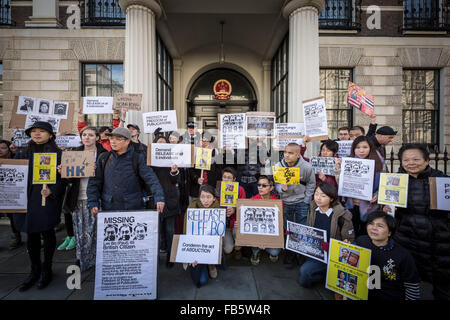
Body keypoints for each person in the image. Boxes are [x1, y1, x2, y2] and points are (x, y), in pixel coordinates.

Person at [387, 144, 449, 300]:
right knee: (407, 282)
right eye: (406, 160)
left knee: (442, 285)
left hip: (438, 243)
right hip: (406, 239)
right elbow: (390, 210)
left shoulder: (441, 181)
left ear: (427, 160)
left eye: (416, 159)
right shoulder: (394, 181)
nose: (411, 163)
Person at [13, 121, 67, 291]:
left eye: (42, 131)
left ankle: (47, 270)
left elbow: (65, 178)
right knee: (31, 234)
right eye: (34, 131)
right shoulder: (22, 152)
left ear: (50, 135)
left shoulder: (58, 153)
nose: (37, 134)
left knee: (47, 232)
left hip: (45, 200)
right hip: (25, 199)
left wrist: (53, 190)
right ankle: (34, 270)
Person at [58, 126, 107, 271]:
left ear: (97, 138)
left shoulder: (103, 154)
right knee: (80, 230)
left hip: (96, 197)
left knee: (96, 230)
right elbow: (69, 180)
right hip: (78, 197)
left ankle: (98, 259)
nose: (87, 137)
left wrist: (98, 170)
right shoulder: (73, 152)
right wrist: (64, 173)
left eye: (91, 135)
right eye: (84, 134)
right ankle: (82, 258)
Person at [87, 127, 165, 215]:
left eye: (118, 139)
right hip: (109, 208)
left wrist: (159, 198)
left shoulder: (137, 158)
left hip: (133, 208)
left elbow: (151, 179)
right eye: (111, 138)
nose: (113, 141)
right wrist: (93, 202)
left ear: (127, 141)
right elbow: (94, 182)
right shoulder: (103, 158)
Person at [298, 183, 354, 288]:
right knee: (304, 277)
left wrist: (339, 245)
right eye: (316, 194)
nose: (318, 198)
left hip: (333, 254)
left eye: (323, 196)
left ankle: (328, 274)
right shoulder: (313, 208)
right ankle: (324, 275)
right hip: (315, 251)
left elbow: (349, 239)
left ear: (332, 198)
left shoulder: (342, 215)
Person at [355, 210, 421, 300]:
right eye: (371, 223)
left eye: (380, 226)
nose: (373, 228)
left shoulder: (402, 255)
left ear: (390, 232)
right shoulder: (361, 241)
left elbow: (412, 287)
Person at [274, 142, 315, 268]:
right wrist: (282, 189)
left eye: (290, 153)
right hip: (286, 202)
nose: (287, 155)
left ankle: (302, 255)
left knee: (302, 228)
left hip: (301, 201)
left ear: (298, 154)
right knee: (288, 229)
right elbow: (276, 185)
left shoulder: (307, 167)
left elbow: (311, 183)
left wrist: (307, 200)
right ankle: (290, 254)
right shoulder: (278, 166)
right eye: (285, 152)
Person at [336, 136, 384, 236]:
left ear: (370, 148)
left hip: (370, 206)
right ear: (354, 149)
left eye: (365, 147)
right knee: (351, 230)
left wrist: (377, 194)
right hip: (351, 205)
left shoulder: (379, 162)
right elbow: (340, 182)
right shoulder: (348, 161)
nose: (361, 150)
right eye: (358, 147)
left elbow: (385, 183)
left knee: (366, 232)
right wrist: (338, 169)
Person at [151, 136, 181, 268]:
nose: (162, 145)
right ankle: (155, 257)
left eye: (164, 143)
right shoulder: (150, 160)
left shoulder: (173, 159)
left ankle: (171, 255)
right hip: (155, 200)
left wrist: (174, 172)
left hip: (170, 200)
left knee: (170, 231)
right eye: (159, 143)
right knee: (156, 231)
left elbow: (176, 181)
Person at [185, 185, 221, 287]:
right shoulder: (192, 207)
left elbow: (219, 234)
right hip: (196, 247)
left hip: (210, 246)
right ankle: (202, 264)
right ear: (199, 197)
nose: (205, 200)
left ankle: (211, 264)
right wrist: (190, 255)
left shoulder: (217, 208)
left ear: (214, 198)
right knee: (202, 281)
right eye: (203, 197)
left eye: (209, 197)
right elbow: (186, 232)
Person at [249, 175, 282, 266]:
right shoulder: (252, 201)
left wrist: (266, 240)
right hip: (256, 234)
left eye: (264, 186)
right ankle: (255, 251)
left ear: (271, 188)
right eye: (259, 185)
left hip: (270, 235)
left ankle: (267, 249)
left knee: (274, 252)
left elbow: (278, 225)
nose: (260, 187)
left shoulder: (277, 203)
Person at [217, 167, 246, 260]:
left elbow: (244, 207)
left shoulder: (240, 190)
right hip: (224, 225)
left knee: (238, 234)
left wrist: (235, 209)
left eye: (229, 177)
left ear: (234, 179)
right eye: (224, 177)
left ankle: (238, 249)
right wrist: (223, 212)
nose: (226, 179)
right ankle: (231, 247)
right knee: (228, 249)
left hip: (236, 223)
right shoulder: (218, 190)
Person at [0, 139, 23, 250]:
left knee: (13, 216)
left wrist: (16, 152)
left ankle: (16, 236)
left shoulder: (16, 159)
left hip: (14, 193)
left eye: (3, 148)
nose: (0, 150)